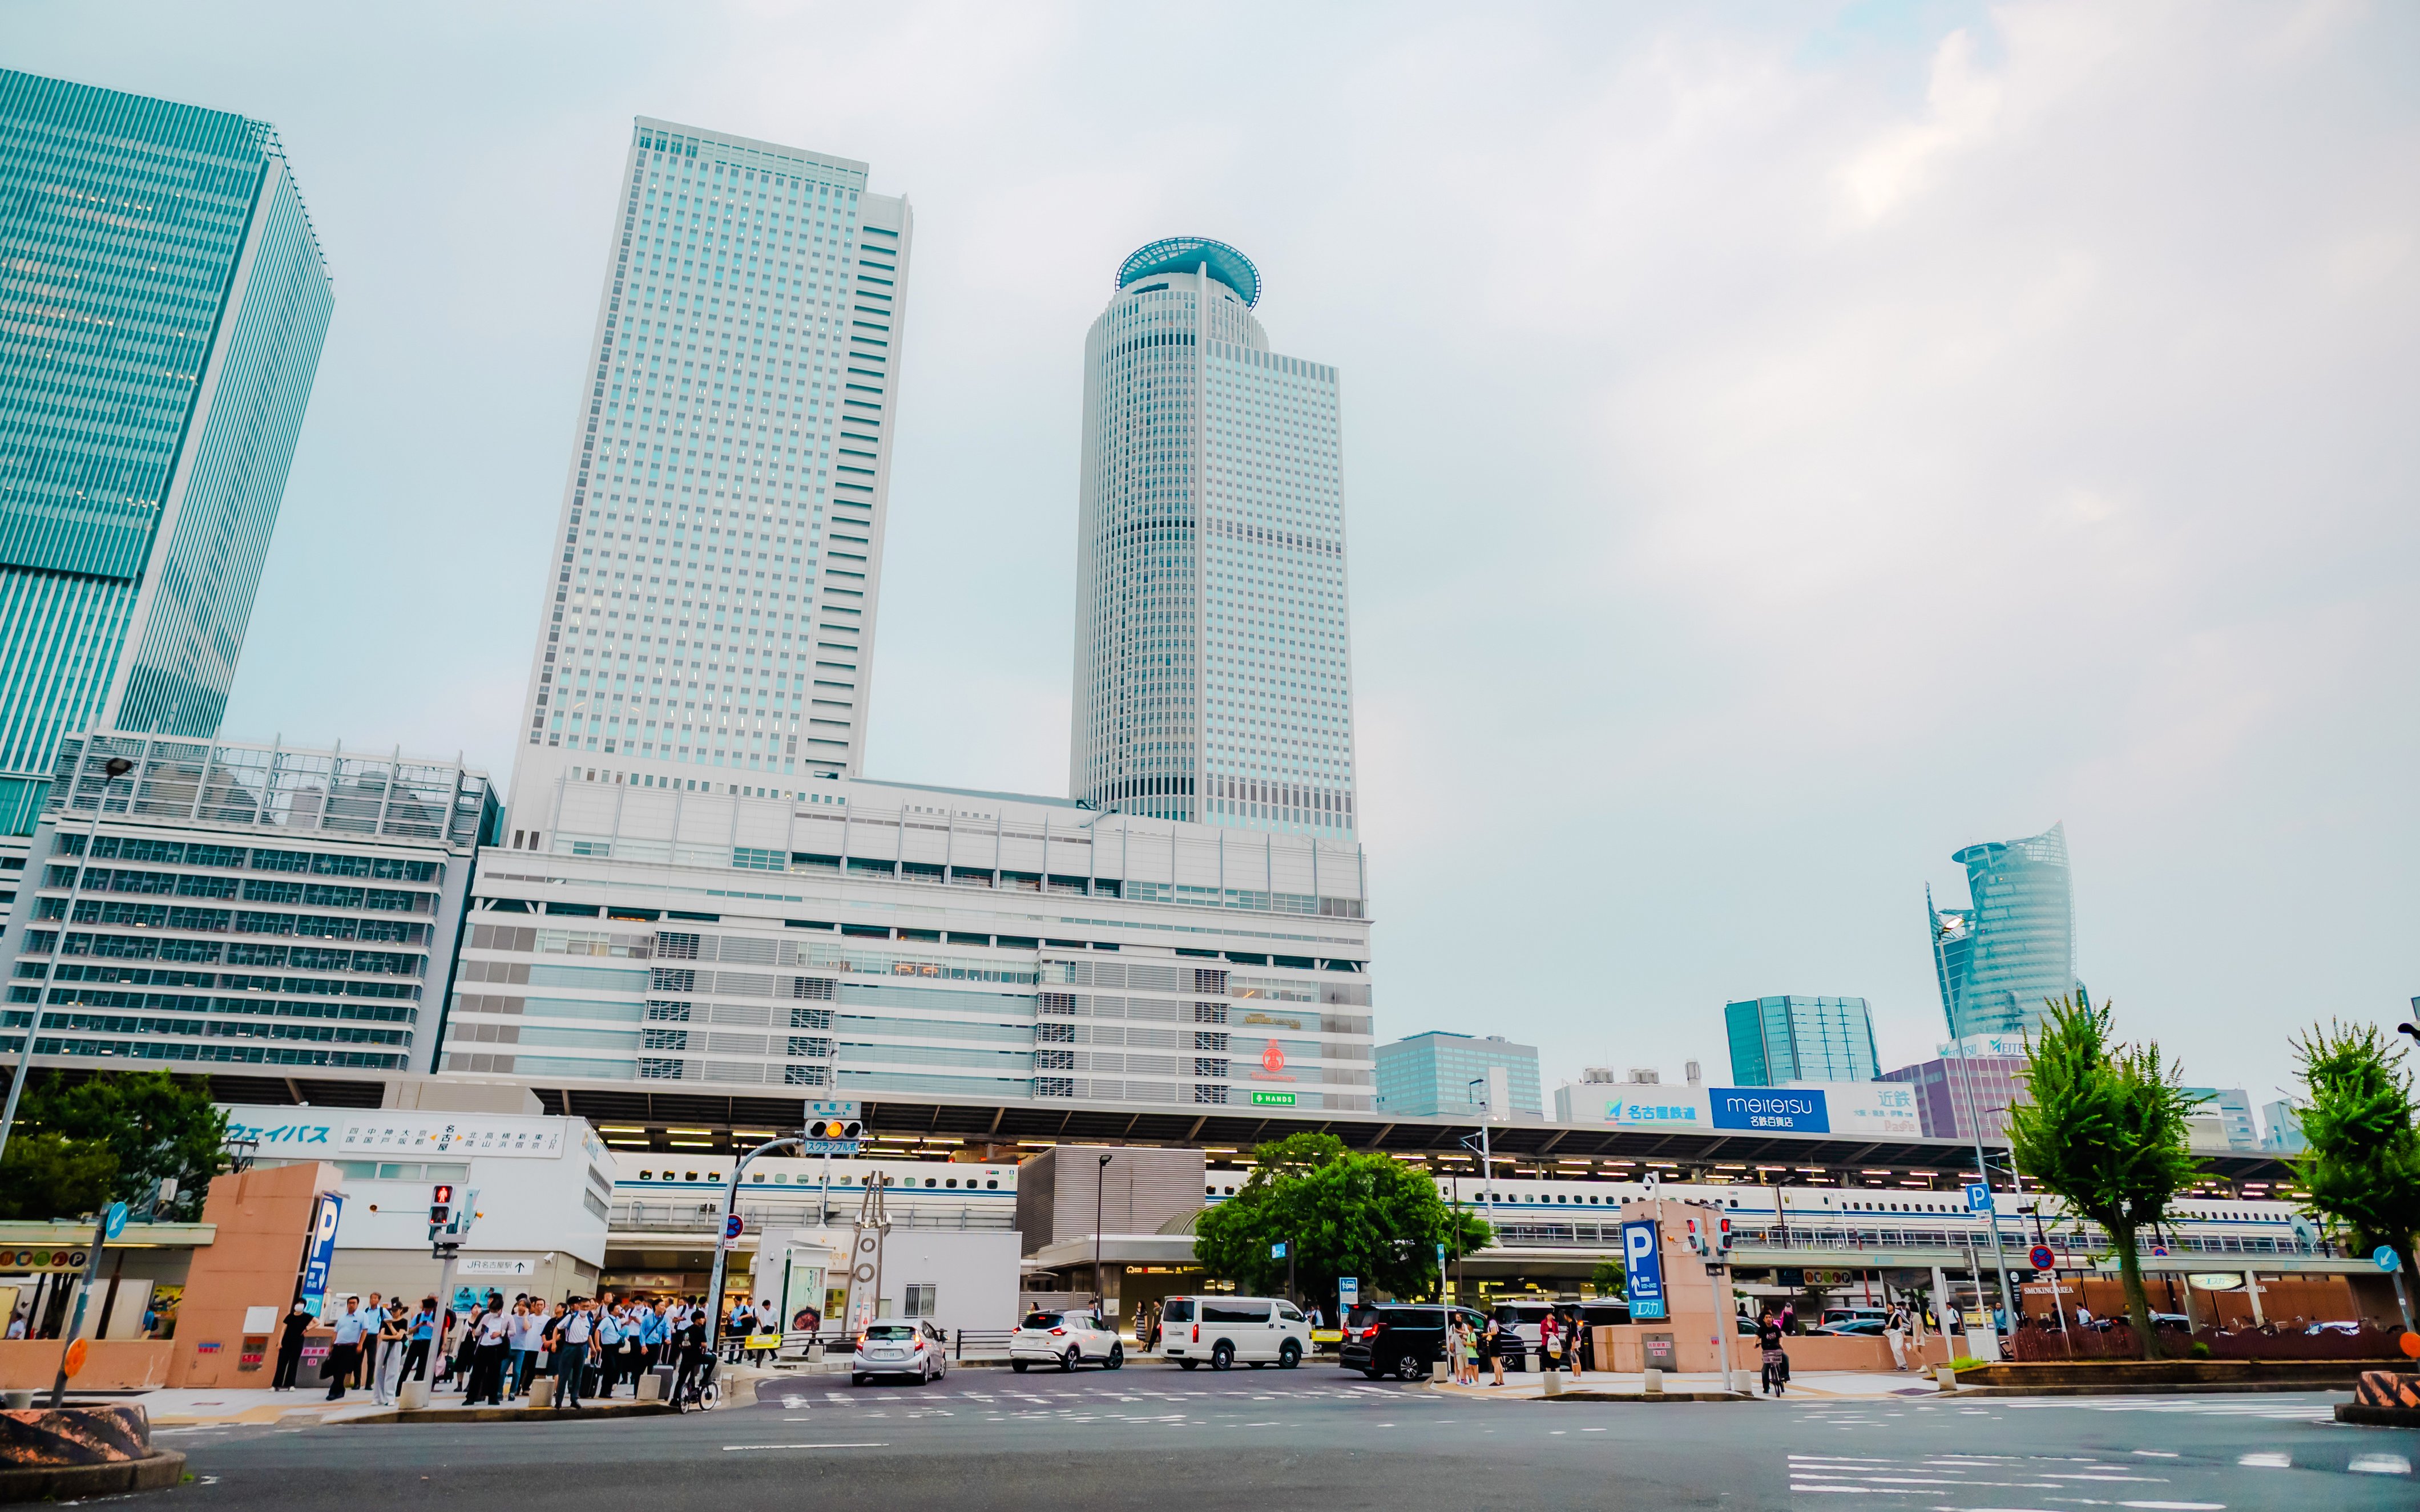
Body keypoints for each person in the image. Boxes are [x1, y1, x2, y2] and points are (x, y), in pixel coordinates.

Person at [325, 1296, 368, 1402]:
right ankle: (340, 1390)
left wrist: (360, 1345)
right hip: (338, 1346)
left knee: (342, 1369)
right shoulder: (342, 1317)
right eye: (350, 1303)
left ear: (357, 1304)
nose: (351, 1305)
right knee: (335, 1370)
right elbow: (335, 1332)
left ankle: (333, 1392)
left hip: (350, 1347)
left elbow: (364, 1331)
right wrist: (331, 1346)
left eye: (354, 1303)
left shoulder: (362, 1315)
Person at [556, 1299, 594, 1409]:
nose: (586, 1309)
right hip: (570, 1347)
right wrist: (554, 1343)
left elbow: (589, 1335)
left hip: (582, 1348)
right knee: (564, 1375)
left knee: (578, 1375)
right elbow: (558, 1328)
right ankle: (559, 1400)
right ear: (578, 1306)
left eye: (588, 1306)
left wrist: (593, 1348)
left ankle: (574, 1399)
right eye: (583, 1306)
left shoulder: (589, 1319)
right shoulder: (571, 1317)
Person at [272, 1299, 314, 1390]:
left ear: (304, 1306)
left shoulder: (306, 1316)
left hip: (298, 1342)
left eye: (301, 1304)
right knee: (281, 1363)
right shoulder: (290, 1316)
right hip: (286, 1342)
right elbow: (283, 1329)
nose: (299, 1305)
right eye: (298, 1303)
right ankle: (276, 1385)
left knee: (293, 1363)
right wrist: (279, 1342)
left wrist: (308, 1328)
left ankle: (290, 1385)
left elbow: (317, 1322)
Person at [374, 1301, 409, 1404]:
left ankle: (390, 1398)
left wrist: (391, 1326)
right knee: (379, 1371)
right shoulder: (385, 1321)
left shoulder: (403, 1321)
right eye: (392, 1311)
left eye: (396, 1311)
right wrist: (393, 1335)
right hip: (384, 1345)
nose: (393, 1313)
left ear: (401, 1310)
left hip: (396, 1346)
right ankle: (378, 1398)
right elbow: (382, 1336)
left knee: (392, 1371)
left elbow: (400, 1336)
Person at [405, 1297, 437, 1385]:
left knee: (422, 1367)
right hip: (416, 1342)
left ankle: (417, 1385)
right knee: (407, 1365)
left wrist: (432, 1326)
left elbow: (439, 1332)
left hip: (427, 1343)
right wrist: (419, 1325)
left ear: (432, 1309)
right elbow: (410, 1331)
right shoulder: (418, 1317)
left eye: (430, 1310)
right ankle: (399, 1387)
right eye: (426, 1310)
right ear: (423, 1309)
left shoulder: (435, 1318)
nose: (428, 1312)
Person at [1758, 1312, 1789, 1396]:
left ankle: (1785, 1375)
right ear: (1764, 1320)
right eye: (1767, 1317)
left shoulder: (1776, 1327)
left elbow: (1780, 1337)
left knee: (1785, 1357)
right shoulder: (1762, 1329)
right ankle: (1766, 1387)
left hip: (1777, 1349)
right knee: (1765, 1369)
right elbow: (1756, 1337)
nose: (1769, 1319)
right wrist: (1755, 1343)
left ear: (1772, 1319)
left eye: (1770, 1317)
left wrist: (1781, 1344)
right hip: (1767, 1352)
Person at [1885, 1303, 1910, 1372]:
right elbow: (1887, 1325)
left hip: (1898, 1333)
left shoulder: (1897, 1315)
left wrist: (1904, 1335)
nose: (1889, 1307)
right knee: (1894, 1350)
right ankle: (1900, 1365)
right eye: (1887, 1305)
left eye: (1890, 1305)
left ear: (1893, 1306)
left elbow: (1901, 1326)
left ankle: (1904, 1364)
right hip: (1891, 1333)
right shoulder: (1886, 1315)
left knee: (1897, 1348)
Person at [1538, 1308, 1562, 1373]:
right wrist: (1548, 1333)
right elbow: (1542, 1332)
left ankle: (1557, 1370)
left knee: (1555, 1357)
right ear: (1546, 1316)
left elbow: (1557, 1331)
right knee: (1547, 1357)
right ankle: (1548, 1371)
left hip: (1553, 1342)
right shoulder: (1543, 1323)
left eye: (1551, 1314)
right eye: (1549, 1315)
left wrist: (1555, 1334)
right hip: (1546, 1342)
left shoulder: (1554, 1323)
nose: (1550, 1316)